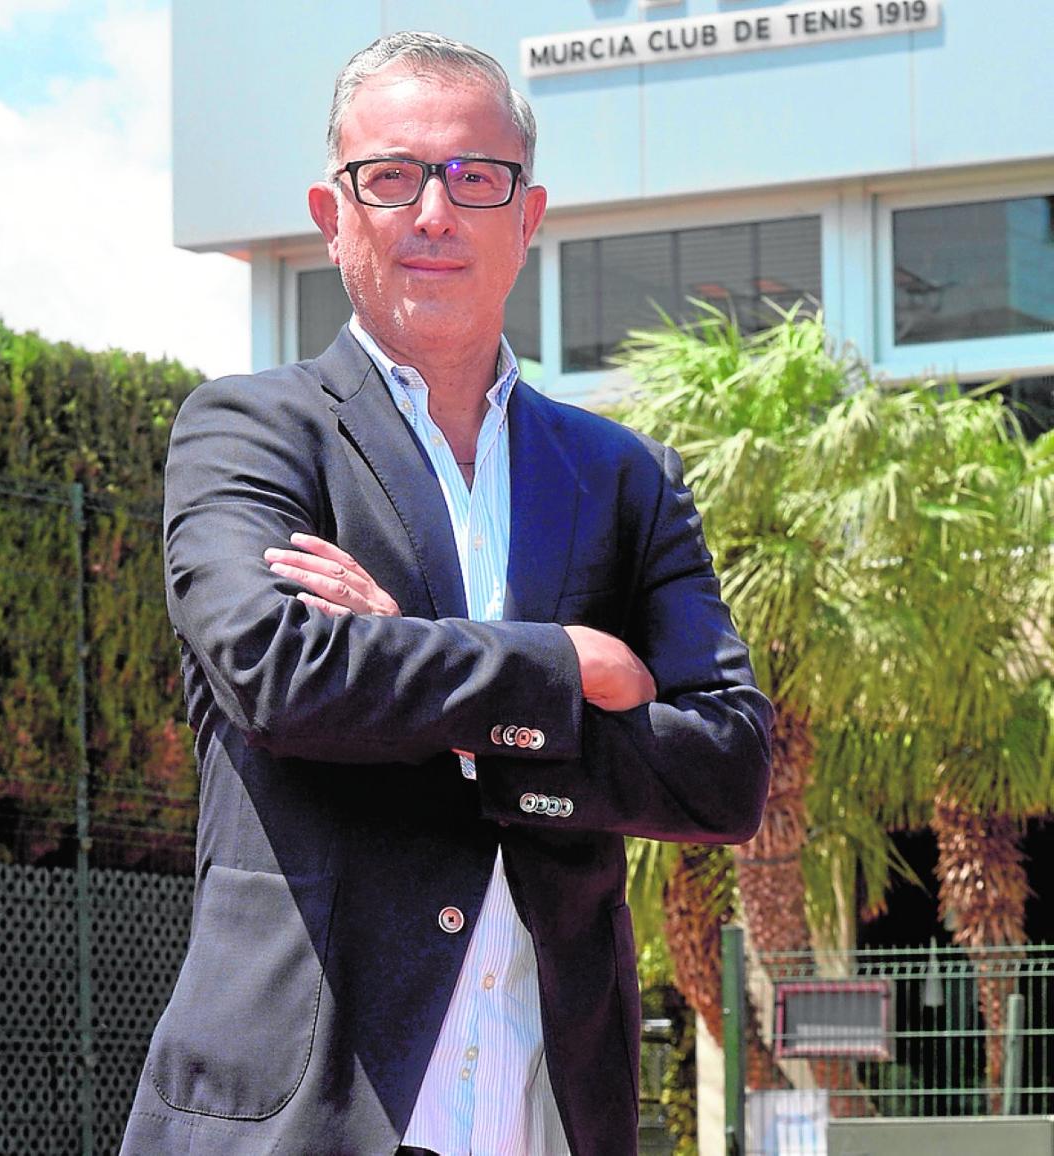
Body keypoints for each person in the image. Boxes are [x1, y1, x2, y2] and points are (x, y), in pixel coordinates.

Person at [121, 31, 772, 1156]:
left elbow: (725, 767)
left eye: (477, 178)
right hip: (302, 1113)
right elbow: (284, 678)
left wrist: (425, 670)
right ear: (333, 217)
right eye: (392, 176)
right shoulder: (249, 433)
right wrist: (568, 668)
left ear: (528, 217)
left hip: (553, 1109)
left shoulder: (624, 477)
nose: (435, 212)